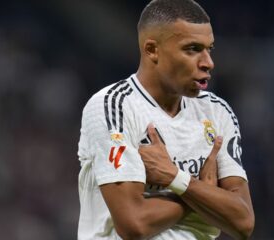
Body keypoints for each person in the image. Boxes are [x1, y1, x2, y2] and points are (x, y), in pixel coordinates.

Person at [77, 0, 255, 239]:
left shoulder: (216, 111)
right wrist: (205, 195)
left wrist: (175, 179)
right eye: (192, 49)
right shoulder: (113, 106)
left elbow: (243, 221)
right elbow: (134, 225)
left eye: (209, 49)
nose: (208, 63)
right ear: (152, 50)